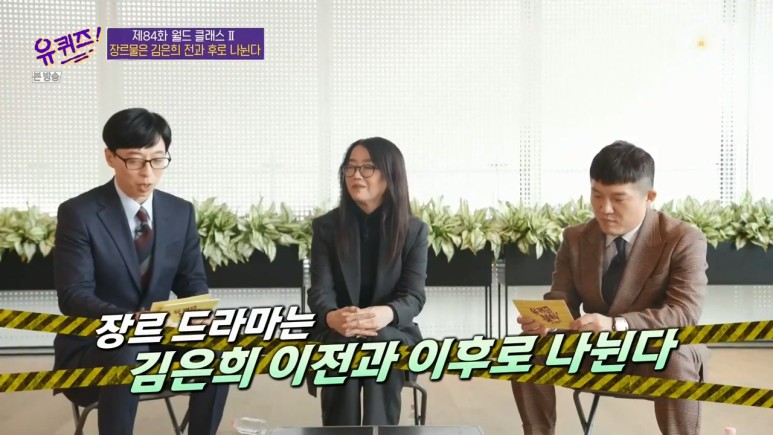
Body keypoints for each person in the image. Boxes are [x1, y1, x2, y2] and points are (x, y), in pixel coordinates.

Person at [512, 141, 710, 435]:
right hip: (595, 350)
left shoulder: (682, 239)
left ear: (649, 197)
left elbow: (684, 313)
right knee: (524, 348)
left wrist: (616, 324)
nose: (605, 209)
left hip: (653, 351)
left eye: (618, 199)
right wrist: (546, 321)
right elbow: (562, 299)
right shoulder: (576, 238)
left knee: (676, 353)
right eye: (597, 196)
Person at [52, 108, 229, 435]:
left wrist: (199, 313)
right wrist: (129, 321)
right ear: (110, 157)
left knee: (218, 348)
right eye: (134, 161)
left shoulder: (179, 212)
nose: (148, 173)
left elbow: (192, 282)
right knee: (128, 347)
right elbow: (73, 296)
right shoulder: (79, 213)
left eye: (158, 160)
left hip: (158, 343)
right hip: (95, 350)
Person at [306, 137, 429, 426]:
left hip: (393, 331)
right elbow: (320, 292)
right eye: (350, 168)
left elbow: (413, 296)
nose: (356, 175)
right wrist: (333, 316)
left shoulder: (413, 231)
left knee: (381, 343)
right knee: (342, 343)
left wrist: (385, 314)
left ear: (390, 175)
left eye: (367, 168)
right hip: (336, 329)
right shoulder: (326, 227)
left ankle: (382, 430)